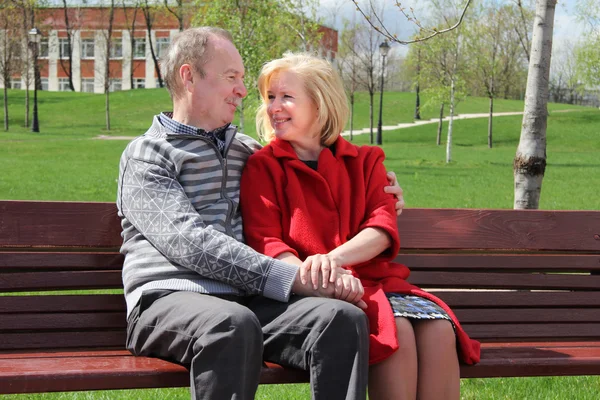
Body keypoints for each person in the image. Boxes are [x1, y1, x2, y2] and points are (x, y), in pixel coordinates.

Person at [116, 27, 405, 400]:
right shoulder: (146, 156)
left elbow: (311, 167)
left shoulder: (247, 152)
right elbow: (192, 245)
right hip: (167, 302)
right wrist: (294, 277)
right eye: (231, 77)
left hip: (248, 303)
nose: (242, 89)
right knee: (231, 325)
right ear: (189, 77)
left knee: (342, 318)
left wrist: (384, 192)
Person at [240, 53, 481, 400]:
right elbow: (268, 243)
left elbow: (381, 227)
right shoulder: (264, 167)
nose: (274, 107)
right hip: (312, 291)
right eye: (270, 98)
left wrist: (331, 260)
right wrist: (322, 276)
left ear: (320, 103)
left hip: (378, 281)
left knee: (438, 329)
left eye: (286, 97)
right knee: (392, 329)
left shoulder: (366, 160)